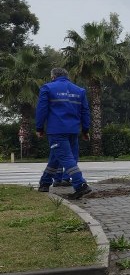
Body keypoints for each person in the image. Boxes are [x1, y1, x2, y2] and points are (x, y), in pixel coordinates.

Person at [35, 67, 92, 199]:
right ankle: (44, 183)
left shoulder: (47, 88)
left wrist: (39, 128)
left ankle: (80, 185)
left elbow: (42, 109)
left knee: (66, 158)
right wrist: (85, 130)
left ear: (53, 76)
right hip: (73, 130)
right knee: (56, 157)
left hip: (56, 130)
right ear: (67, 76)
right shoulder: (79, 90)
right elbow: (85, 111)